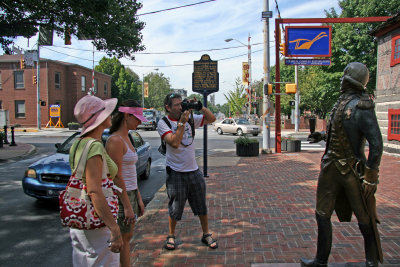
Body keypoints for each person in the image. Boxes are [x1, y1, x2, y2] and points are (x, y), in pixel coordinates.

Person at [301, 62, 383, 267]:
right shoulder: (340, 103)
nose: (340, 82)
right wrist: (322, 135)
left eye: (344, 79)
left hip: (352, 170)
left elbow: (376, 144)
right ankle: (320, 261)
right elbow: (340, 131)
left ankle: (371, 261)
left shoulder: (363, 105)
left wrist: (371, 177)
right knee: (322, 214)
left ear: (351, 82)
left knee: (364, 217)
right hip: (330, 168)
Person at [157, 93, 217, 250]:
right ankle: (171, 235)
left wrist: (199, 107)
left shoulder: (190, 118)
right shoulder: (163, 123)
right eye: (175, 105)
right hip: (176, 171)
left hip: (193, 170)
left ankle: (206, 234)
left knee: (201, 204)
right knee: (175, 206)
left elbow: (211, 119)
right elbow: (175, 143)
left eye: (180, 104)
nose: (179, 107)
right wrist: (182, 123)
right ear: (168, 107)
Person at [69, 94, 123, 266]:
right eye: (107, 113)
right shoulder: (94, 146)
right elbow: (94, 190)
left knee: (83, 261)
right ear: (100, 118)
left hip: (80, 215)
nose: (111, 116)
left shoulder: (78, 143)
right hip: (97, 219)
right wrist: (114, 228)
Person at [105, 99, 147, 267]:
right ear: (127, 116)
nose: (139, 122)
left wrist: (138, 197)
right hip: (121, 197)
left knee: (127, 237)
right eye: (137, 118)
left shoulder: (127, 137)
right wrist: (127, 205)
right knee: (122, 240)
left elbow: (131, 174)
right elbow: (117, 176)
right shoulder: (115, 140)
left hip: (131, 193)